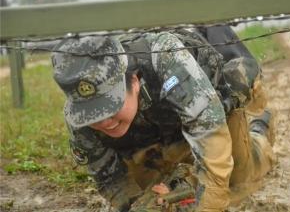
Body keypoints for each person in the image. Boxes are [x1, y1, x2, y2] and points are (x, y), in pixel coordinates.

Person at [52, 26, 275, 211]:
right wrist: (138, 206)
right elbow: (111, 180)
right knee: (157, 197)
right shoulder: (78, 116)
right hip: (151, 134)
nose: (104, 122)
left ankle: (259, 128)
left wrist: (206, 207)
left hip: (210, 113)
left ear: (134, 81)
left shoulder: (168, 61)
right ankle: (182, 170)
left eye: (111, 108)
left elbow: (213, 152)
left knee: (240, 180)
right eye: (93, 114)